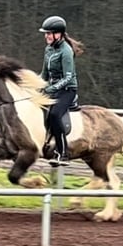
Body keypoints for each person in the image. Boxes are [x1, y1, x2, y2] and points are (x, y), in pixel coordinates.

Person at [38, 15, 84, 166]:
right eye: (46, 33)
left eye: (49, 33)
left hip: (67, 90)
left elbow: (68, 78)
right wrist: (35, 85)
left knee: (55, 114)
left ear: (59, 34)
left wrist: (51, 88)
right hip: (53, 89)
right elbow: (44, 74)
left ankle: (62, 153)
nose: (46, 36)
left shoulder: (66, 52)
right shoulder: (48, 50)